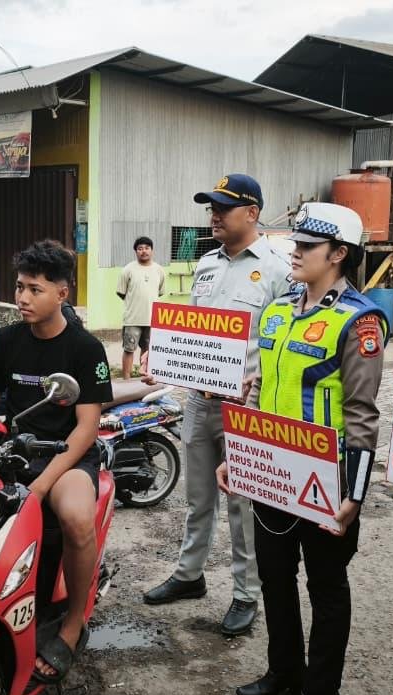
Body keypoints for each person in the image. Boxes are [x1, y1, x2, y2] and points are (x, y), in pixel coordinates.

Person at [216, 202, 386, 695]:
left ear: (338, 255)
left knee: (327, 587)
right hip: (273, 472)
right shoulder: (278, 310)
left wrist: (353, 496)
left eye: (307, 247)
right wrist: (236, 456)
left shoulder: (359, 321)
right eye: (296, 243)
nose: (295, 253)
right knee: (273, 576)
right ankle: (282, 671)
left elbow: (362, 415)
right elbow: (260, 391)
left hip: (327, 477)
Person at [0, 239, 113, 683]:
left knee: (76, 517)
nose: (22, 298)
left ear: (62, 293)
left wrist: (43, 485)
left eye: (35, 289)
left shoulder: (85, 348)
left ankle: (72, 623)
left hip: (66, 457)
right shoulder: (6, 340)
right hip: (13, 452)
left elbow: (85, 428)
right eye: (20, 287)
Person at [143, 173, 292, 637]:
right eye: (211, 207)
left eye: (223, 208)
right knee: (198, 497)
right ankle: (190, 575)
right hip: (199, 401)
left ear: (252, 214)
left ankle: (246, 593)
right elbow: (195, 333)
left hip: (245, 408)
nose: (213, 216)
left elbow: (282, 341)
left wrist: (260, 379)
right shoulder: (205, 265)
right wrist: (164, 358)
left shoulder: (277, 269)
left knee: (242, 503)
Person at [116, 236, 165, 379]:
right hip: (132, 319)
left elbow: (159, 292)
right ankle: (126, 379)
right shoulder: (128, 270)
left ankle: (145, 377)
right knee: (129, 349)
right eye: (140, 249)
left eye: (147, 248)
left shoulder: (159, 270)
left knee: (148, 350)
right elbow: (122, 293)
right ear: (136, 251)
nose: (143, 251)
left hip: (151, 319)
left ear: (152, 250)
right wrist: (135, 303)